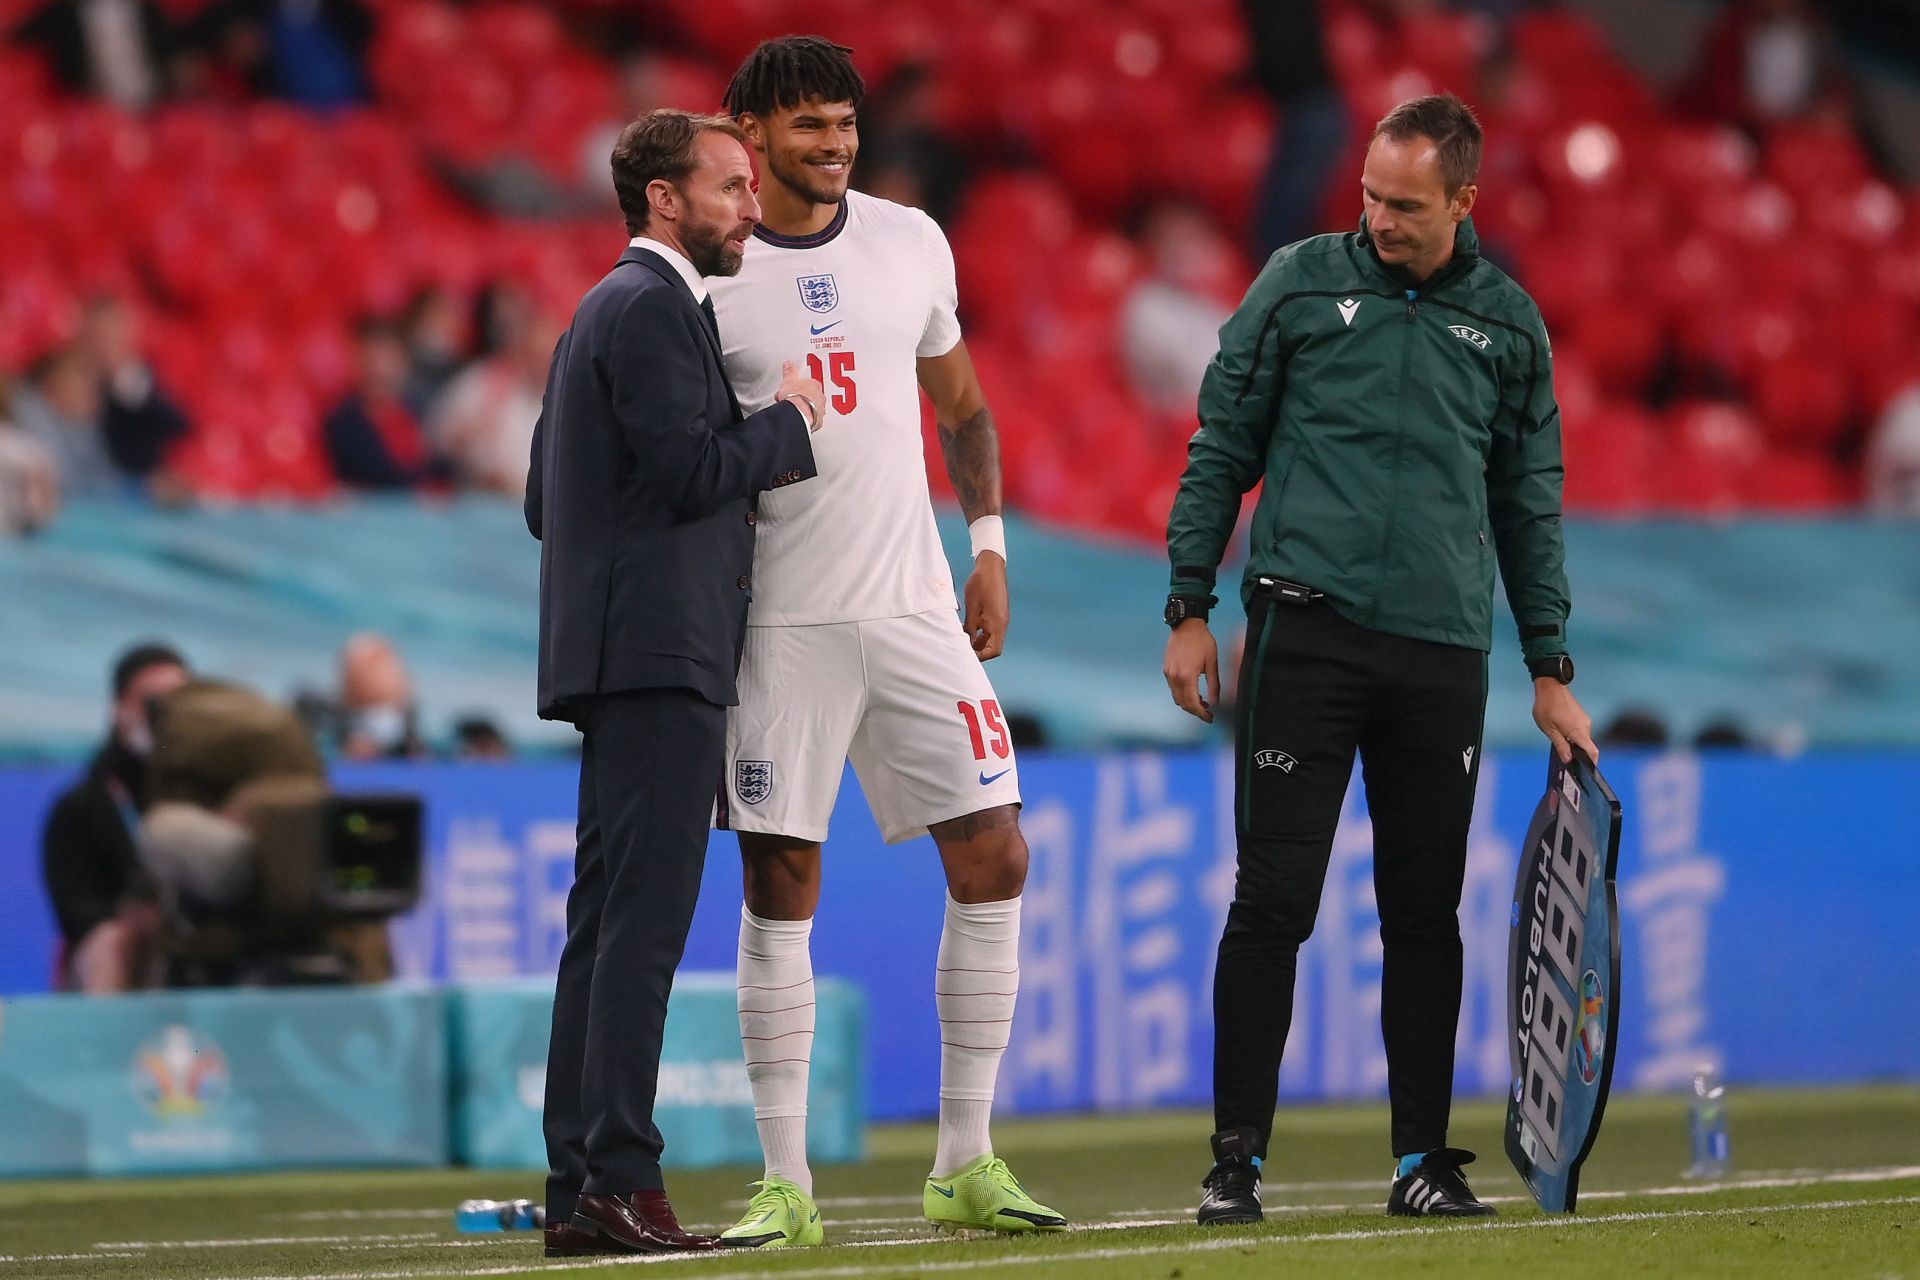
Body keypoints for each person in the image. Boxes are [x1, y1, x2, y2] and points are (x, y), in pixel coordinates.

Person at [1162, 93, 1598, 1225]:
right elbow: (1221, 446)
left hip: (1442, 654)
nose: (1380, 220)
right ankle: (1235, 1163)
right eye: (1369, 196)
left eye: (1406, 205)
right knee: (1272, 902)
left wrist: (1552, 663)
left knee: (1424, 911)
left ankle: (1420, 1161)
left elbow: (1529, 505)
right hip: (1304, 635)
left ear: (1465, 201)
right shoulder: (1299, 283)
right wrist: (1188, 605)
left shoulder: (1510, 328)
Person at [706, 36, 1067, 1247]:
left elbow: (961, 404)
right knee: (779, 883)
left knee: (997, 853)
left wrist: (993, 544)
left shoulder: (912, 239)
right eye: (808, 124)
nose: (834, 144)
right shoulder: (705, 269)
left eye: (845, 123)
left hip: (914, 606)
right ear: (748, 132)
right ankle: (787, 1181)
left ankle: (965, 1157)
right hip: (779, 621)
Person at [525, 108, 825, 1259]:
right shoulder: (654, 308)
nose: (752, 205)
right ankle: (620, 1178)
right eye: (732, 186)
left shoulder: (605, 312)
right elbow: (696, 469)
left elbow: (547, 501)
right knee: (640, 928)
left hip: (618, 652)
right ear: (664, 198)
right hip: (661, 654)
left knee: (604, 929)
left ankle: (576, 1185)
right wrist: (786, 420)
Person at [40, 643, 188, 992]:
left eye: (180, 705)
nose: (166, 717)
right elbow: (75, 916)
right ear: (119, 708)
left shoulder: (213, 795)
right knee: (111, 942)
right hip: (121, 954)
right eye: (151, 704)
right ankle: (110, 1043)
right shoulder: (81, 807)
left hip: (193, 945)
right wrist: (139, 920)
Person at [324, 318, 451, 493]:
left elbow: (441, 466)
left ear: (403, 363)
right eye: (371, 360)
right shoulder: (344, 423)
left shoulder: (418, 412)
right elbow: (378, 476)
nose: (379, 371)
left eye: (388, 360)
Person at [76, 295, 191, 482]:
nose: (104, 344)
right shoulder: (62, 378)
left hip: (133, 492)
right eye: (98, 335)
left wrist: (126, 385)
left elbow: (179, 426)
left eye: (111, 335)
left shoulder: (142, 379)